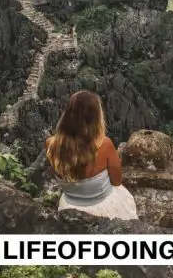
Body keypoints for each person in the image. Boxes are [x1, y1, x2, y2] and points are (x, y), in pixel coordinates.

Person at [45, 90, 138, 219]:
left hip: (69, 207)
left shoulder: (50, 144)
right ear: (95, 117)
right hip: (103, 208)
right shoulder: (104, 145)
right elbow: (116, 181)